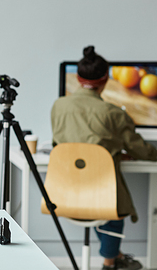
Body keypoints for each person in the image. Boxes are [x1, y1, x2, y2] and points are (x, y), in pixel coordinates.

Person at [51, 46, 157, 270]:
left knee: (104, 201)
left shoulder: (59, 105)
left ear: (78, 78)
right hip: (100, 193)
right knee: (111, 204)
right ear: (105, 79)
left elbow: (59, 143)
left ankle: (115, 256)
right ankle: (110, 263)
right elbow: (140, 149)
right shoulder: (114, 113)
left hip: (63, 190)